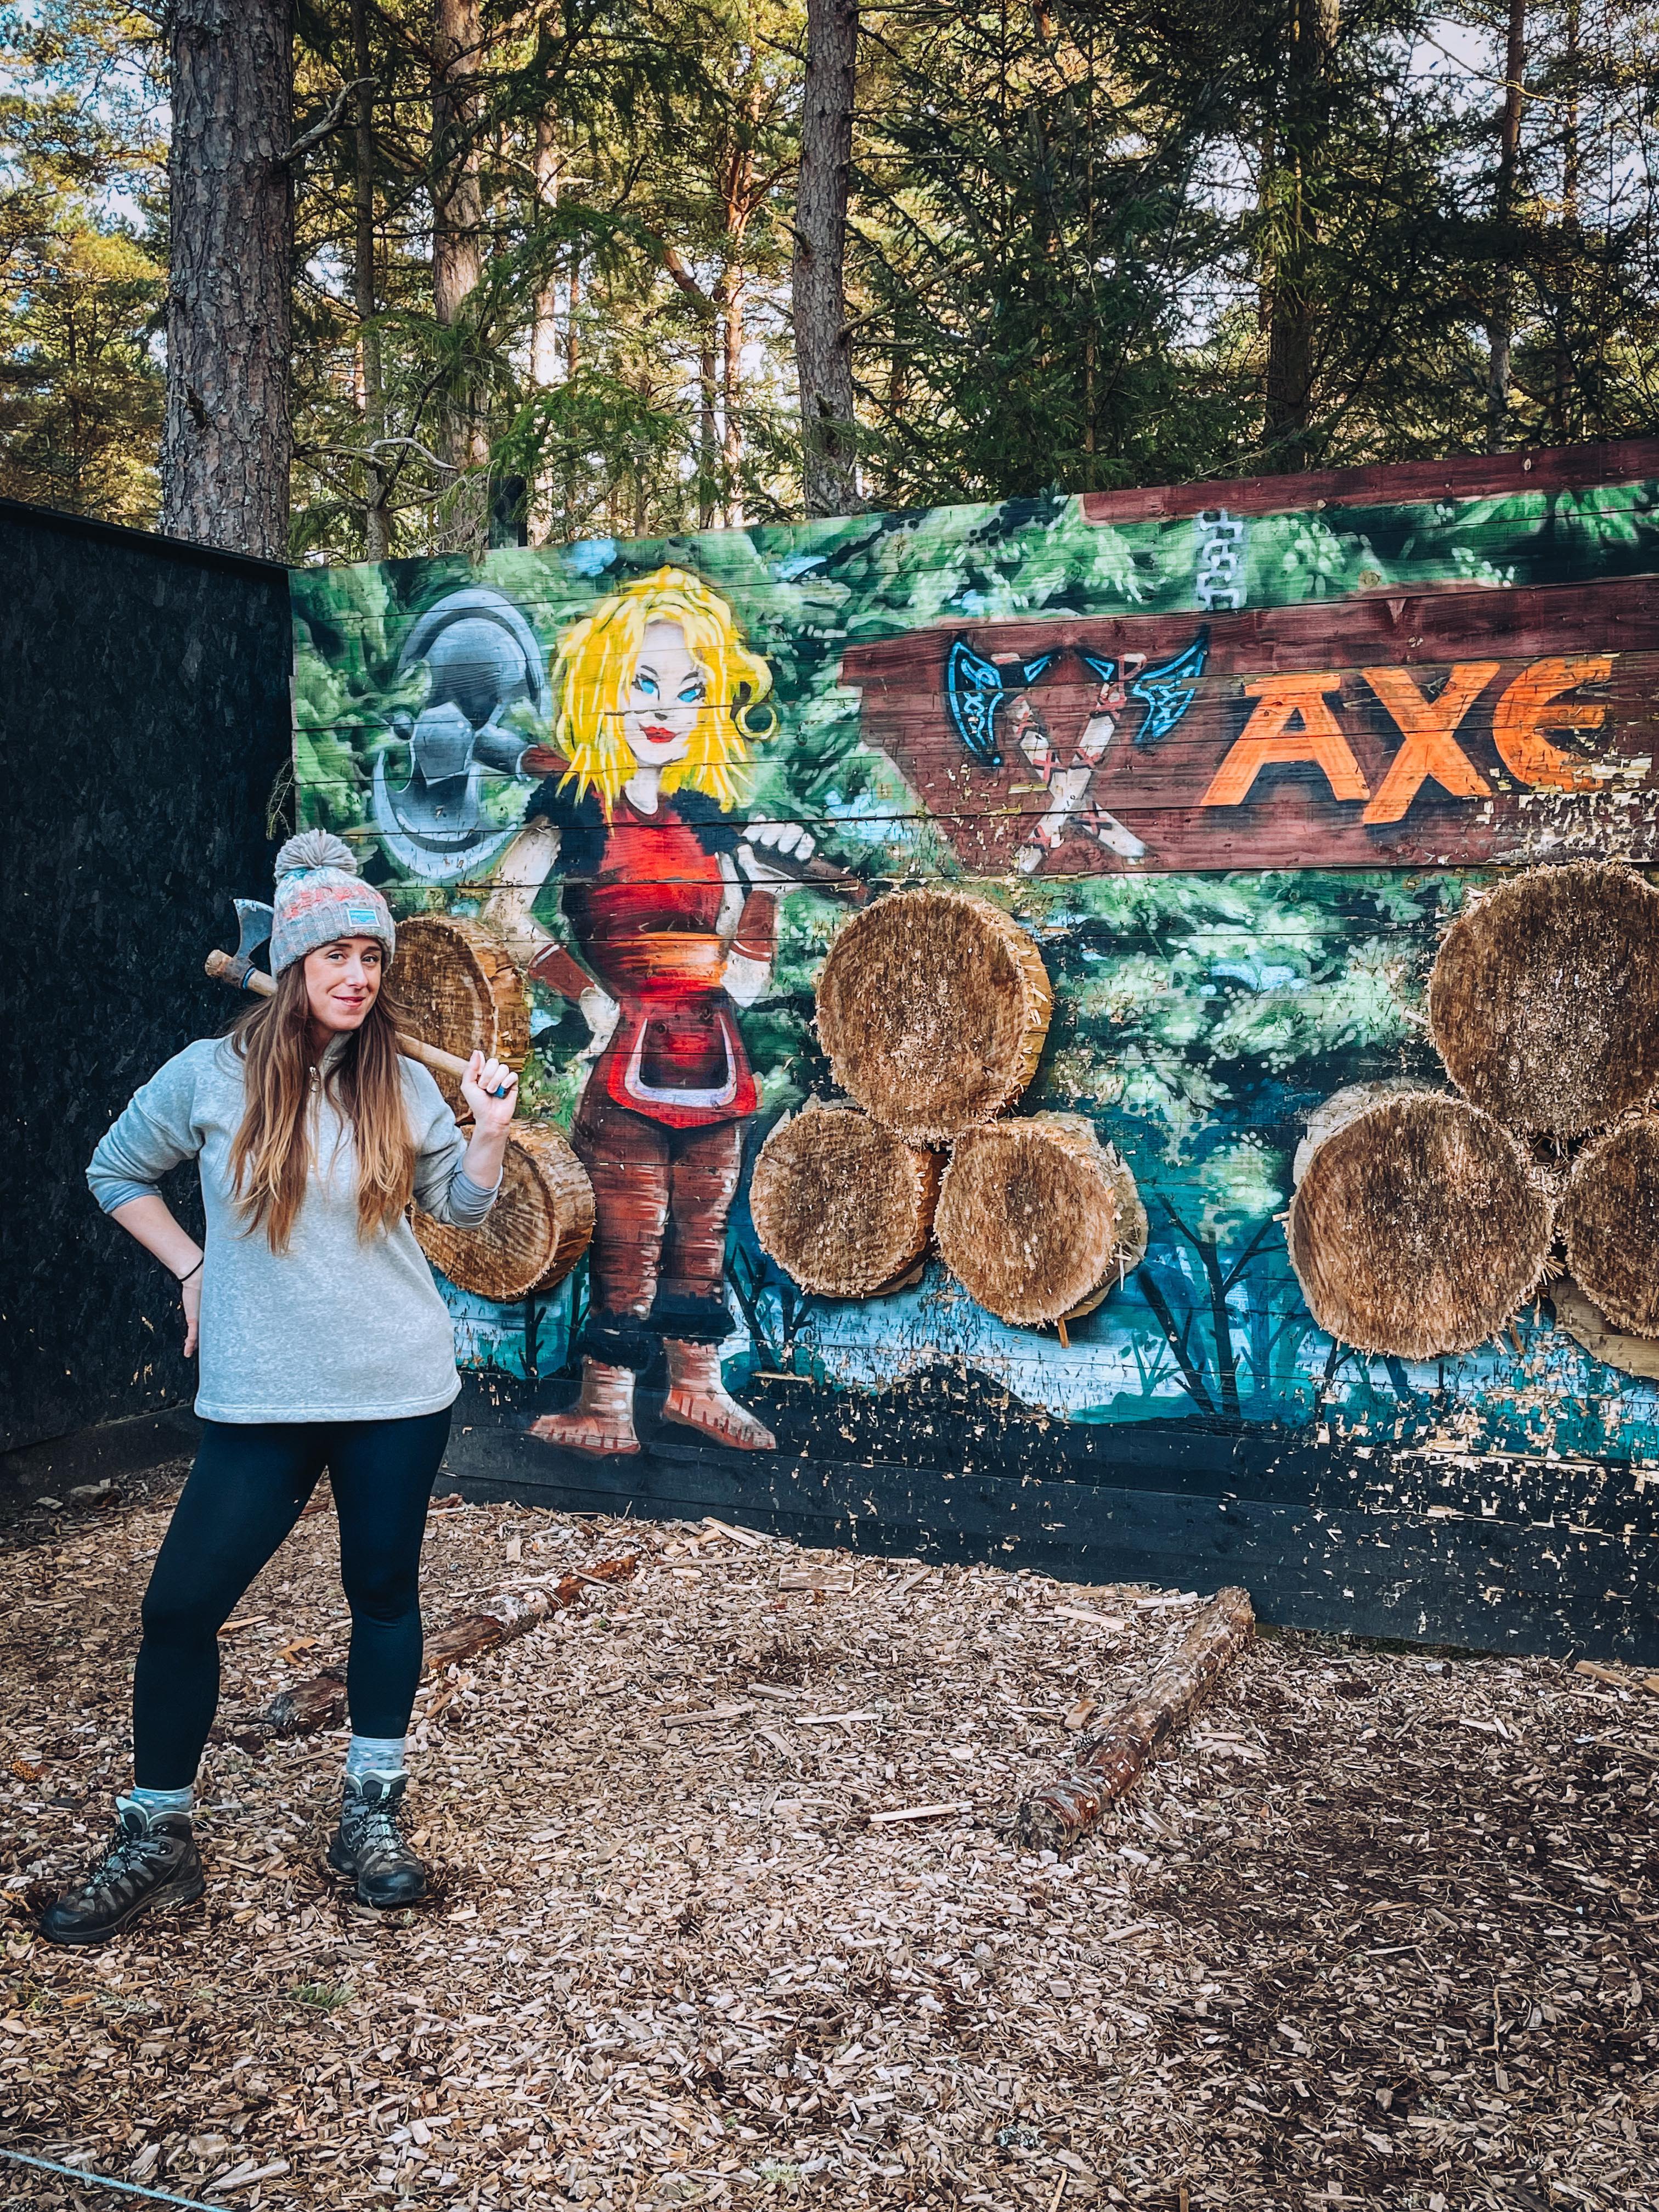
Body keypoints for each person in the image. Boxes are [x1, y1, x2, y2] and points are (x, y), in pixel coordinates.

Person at [40, 831, 517, 1946]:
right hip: (260, 1398)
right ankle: (159, 1835)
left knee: (383, 1597)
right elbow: (115, 1169)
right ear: (294, 961)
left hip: (395, 1389)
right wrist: (192, 1266)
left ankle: (371, 1815)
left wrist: (488, 1134)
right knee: (179, 1611)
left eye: (372, 956)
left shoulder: (404, 1081)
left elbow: (460, 1211)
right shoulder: (208, 1076)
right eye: (335, 954)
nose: (357, 975)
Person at [477, 566, 816, 1458]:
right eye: (645, 682)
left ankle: (696, 1391)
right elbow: (503, 913)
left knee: (701, 1231)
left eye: (692, 690)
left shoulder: (710, 826)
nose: (668, 706)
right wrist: (585, 992)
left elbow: (745, 982)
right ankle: (606, 1407)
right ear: (603, 688)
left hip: (715, 1060)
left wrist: (770, 892)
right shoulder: (572, 813)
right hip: (623, 1058)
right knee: (628, 1230)